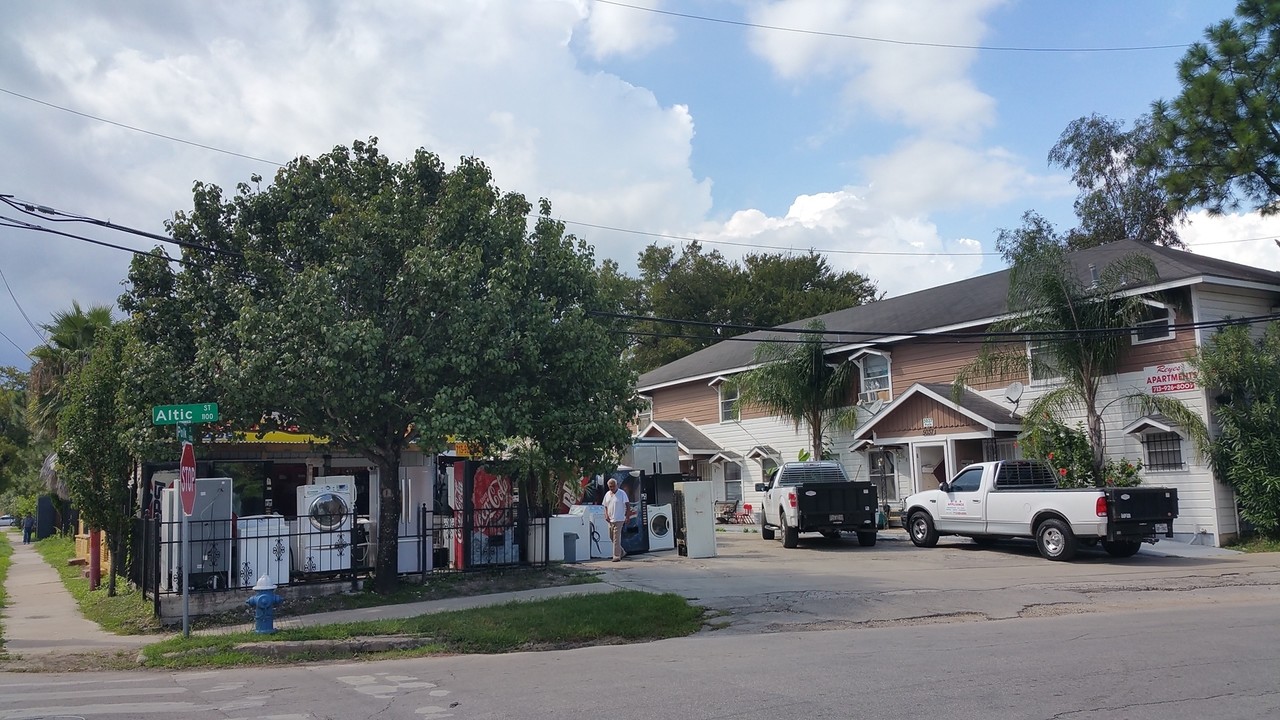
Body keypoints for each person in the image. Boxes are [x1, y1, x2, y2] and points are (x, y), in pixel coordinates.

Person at [601, 477, 630, 562]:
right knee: (611, 537)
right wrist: (606, 515)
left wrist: (627, 517)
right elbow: (605, 506)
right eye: (610, 486)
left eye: (613, 486)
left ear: (616, 485)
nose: (612, 488)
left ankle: (616, 556)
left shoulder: (622, 493)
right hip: (610, 519)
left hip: (619, 518)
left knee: (616, 538)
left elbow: (628, 505)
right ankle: (622, 551)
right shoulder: (607, 494)